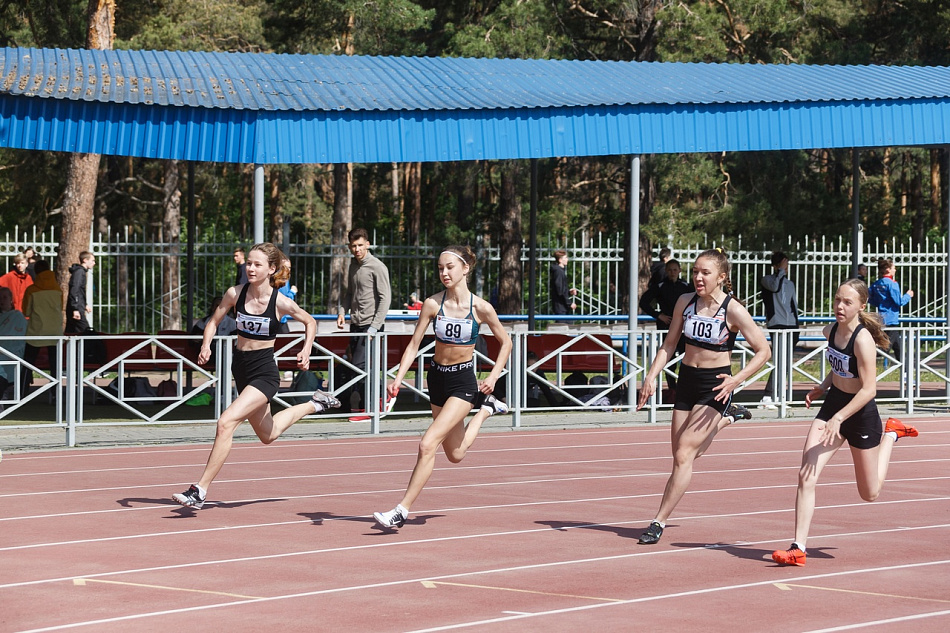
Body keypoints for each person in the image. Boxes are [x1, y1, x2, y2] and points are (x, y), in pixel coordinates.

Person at [172, 242, 341, 509]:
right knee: (268, 434)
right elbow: (213, 321)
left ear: (271, 269)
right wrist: (206, 344)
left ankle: (199, 490)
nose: (250, 268)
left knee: (225, 422)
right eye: (248, 263)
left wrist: (306, 350)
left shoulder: (281, 301)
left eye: (257, 264)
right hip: (240, 368)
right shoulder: (235, 294)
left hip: (264, 373)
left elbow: (310, 322)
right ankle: (315, 403)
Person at [771, 278, 918, 566]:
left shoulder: (863, 340)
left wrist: (841, 417)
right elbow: (839, 366)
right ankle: (798, 547)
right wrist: (822, 387)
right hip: (834, 405)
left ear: (861, 306)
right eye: (838, 299)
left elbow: (869, 389)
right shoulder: (831, 330)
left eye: (847, 302)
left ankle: (891, 434)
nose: (839, 306)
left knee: (870, 493)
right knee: (805, 475)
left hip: (860, 414)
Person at [635, 248, 771, 545]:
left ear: (721, 277)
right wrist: (651, 375)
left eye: (705, 273)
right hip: (686, 381)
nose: (698, 277)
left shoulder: (733, 309)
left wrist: (737, 379)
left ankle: (658, 521)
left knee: (685, 453)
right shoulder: (685, 302)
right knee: (681, 455)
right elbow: (670, 344)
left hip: (715, 384)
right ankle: (727, 419)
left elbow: (764, 350)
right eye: (695, 271)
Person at [373, 245, 512, 529]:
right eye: (440, 268)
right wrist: (398, 378)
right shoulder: (433, 304)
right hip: (436, 378)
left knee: (427, 444)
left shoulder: (481, 308)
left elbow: (506, 343)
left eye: (449, 267)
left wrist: (494, 376)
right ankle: (485, 411)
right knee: (455, 454)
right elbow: (414, 345)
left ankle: (401, 510)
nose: (444, 273)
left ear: (465, 269)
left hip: (463, 382)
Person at [336, 228, 392, 412]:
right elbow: (349, 293)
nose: (357, 249)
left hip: (371, 325)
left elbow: (386, 298)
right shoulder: (353, 265)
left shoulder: (377, 266)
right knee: (357, 365)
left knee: (361, 366)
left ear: (367, 244)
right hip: (356, 323)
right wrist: (342, 312)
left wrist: (375, 327)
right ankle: (373, 402)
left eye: (360, 245)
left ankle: (374, 404)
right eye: (353, 246)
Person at [638, 258, 691, 394]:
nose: (672, 272)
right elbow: (644, 302)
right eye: (670, 270)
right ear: (666, 271)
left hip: (685, 328)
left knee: (686, 359)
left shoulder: (686, 286)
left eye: (675, 270)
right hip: (666, 327)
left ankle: (684, 389)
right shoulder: (660, 286)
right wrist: (658, 315)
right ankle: (672, 390)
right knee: (669, 359)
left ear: (679, 271)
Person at [759, 251, 799, 410]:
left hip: (791, 326)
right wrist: (780, 271)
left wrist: (797, 326)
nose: (786, 267)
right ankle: (768, 395)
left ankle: (779, 395)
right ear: (776, 265)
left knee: (787, 363)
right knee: (779, 361)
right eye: (783, 264)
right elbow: (775, 288)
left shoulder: (790, 284)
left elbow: (793, 305)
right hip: (777, 325)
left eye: (786, 264)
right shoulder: (767, 280)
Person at [22, 260, 62, 392]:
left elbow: (26, 311)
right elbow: (61, 307)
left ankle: (23, 390)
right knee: (55, 364)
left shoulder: (31, 290)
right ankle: (55, 392)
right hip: (55, 330)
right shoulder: (58, 290)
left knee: (28, 362)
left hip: (36, 330)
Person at [868, 258, 913, 362]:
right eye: (894, 268)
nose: (895, 270)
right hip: (891, 319)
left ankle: (905, 372)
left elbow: (869, 298)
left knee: (898, 347)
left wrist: (880, 303)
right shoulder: (892, 284)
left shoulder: (876, 284)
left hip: (881, 318)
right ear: (888, 269)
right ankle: (866, 359)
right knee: (886, 348)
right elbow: (899, 302)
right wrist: (908, 296)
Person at [0, 287, 27, 397]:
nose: (2, 300)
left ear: (11, 299)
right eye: (0, 298)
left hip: (13, 350)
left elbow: (21, 334)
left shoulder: (17, 316)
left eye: (5, 297)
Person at [65, 251, 95, 334]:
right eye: (92, 260)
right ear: (85, 260)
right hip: (76, 308)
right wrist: (75, 309)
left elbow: (80, 292)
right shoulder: (79, 272)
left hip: (77, 306)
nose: (94, 263)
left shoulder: (80, 272)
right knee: (86, 332)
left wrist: (85, 304)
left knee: (71, 333)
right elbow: (75, 290)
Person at [549, 250, 576, 319]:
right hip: (561, 307)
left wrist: (569, 292)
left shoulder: (559, 271)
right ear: (560, 260)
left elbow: (560, 288)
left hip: (562, 306)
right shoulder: (558, 271)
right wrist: (569, 303)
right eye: (566, 258)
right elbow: (559, 290)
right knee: (563, 326)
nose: (567, 259)